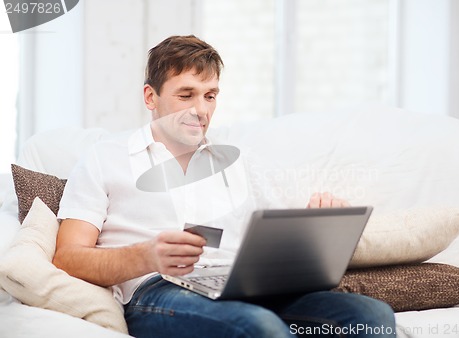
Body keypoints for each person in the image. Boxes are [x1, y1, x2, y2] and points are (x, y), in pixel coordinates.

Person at [53, 35, 396, 338]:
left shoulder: (238, 162)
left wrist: (315, 230)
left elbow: (269, 241)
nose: (200, 110)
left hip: (240, 285)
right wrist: (146, 256)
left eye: (210, 96)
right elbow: (68, 258)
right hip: (158, 290)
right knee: (256, 326)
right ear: (150, 97)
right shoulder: (104, 158)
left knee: (370, 316)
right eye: (186, 95)